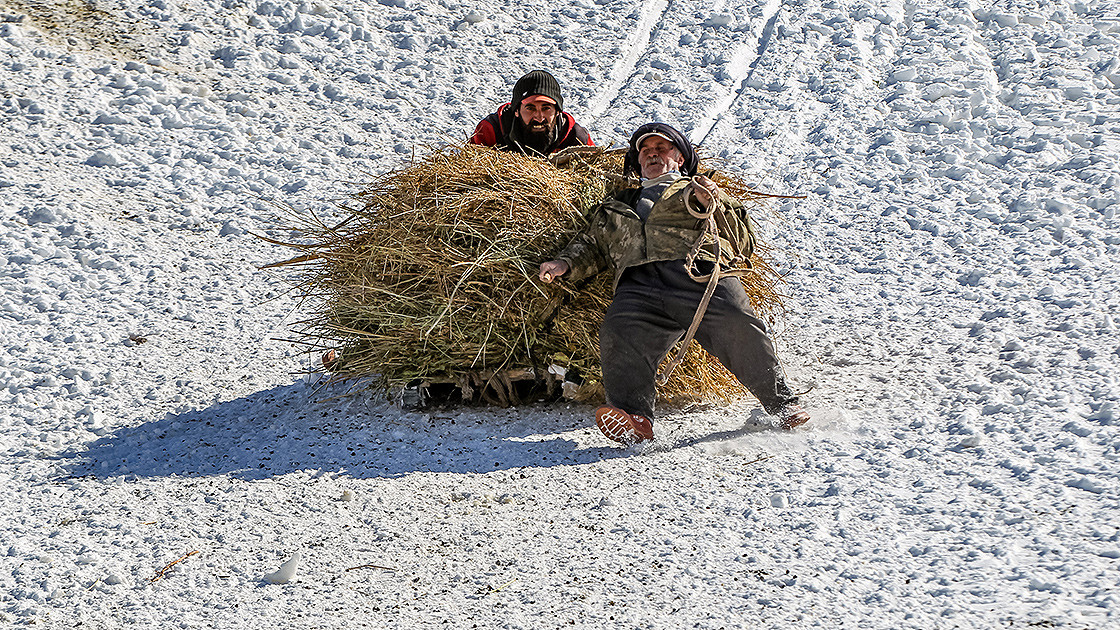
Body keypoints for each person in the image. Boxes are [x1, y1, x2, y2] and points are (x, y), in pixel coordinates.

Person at [538, 122, 809, 444]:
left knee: (735, 320)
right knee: (619, 330)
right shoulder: (616, 205)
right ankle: (635, 418)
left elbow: (743, 239)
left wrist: (713, 202)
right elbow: (593, 245)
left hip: (697, 273)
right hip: (638, 284)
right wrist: (564, 264)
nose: (652, 154)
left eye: (661, 148)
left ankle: (782, 404)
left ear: (680, 158)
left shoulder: (697, 190)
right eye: (645, 150)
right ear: (638, 161)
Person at [469, 69, 593, 157]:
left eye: (546, 108)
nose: (539, 117)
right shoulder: (490, 132)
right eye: (530, 108)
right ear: (516, 111)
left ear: (557, 112)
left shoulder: (576, 139)